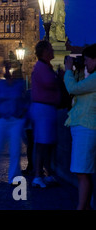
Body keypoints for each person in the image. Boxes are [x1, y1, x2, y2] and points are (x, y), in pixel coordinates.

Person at [64, 44, 96, 210]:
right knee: (82, 171)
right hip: (83, 126)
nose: (86, 64)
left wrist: (68, 70)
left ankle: (81, 207)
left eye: (87, 60)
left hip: (86, 127)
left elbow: (73, 89)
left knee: (82, 171)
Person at [30, 40, 62, 188]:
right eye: (50, 49)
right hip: (43, 109)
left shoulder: (46, 66)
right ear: (45, 52)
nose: (53, 51)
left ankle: (47, 173)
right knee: (42, 143)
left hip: (48, 109)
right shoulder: (41, 67)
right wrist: (61, 77)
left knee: (47, 143)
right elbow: (50, 83)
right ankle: (37, 176)